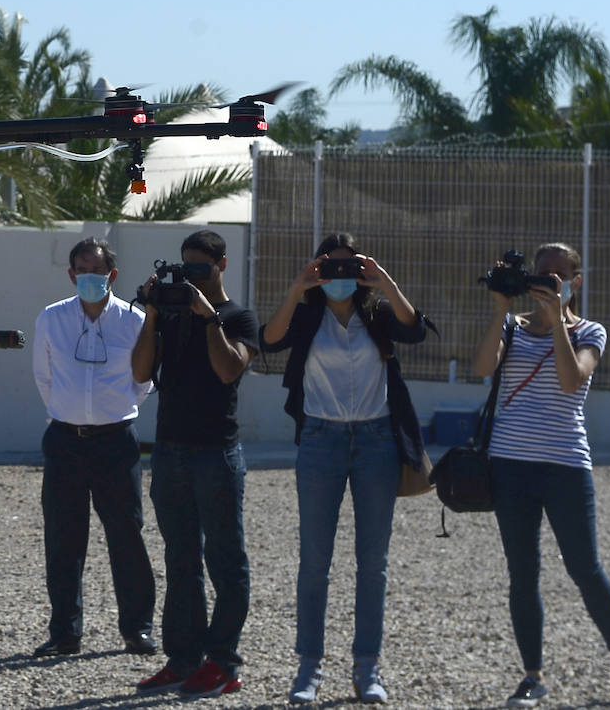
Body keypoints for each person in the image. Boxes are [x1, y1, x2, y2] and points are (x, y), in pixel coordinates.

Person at [259, 233, 433, 704]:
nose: (340, 276)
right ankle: (309, 666)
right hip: (321, 440)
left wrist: (385, 282)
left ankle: (367, 666)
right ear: (318, 269)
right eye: (330, 266)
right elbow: (269, 341)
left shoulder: (377, 314)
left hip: (376, 441)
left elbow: (415, 330)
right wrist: (297, 289)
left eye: (348, 266)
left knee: (373, 563)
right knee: (315, 561)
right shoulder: (307, 315)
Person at [472, 242, 610, 708]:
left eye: (558, 274)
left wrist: (556, 324)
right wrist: (500, 310)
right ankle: (533, 675)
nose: (549, 280)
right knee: (522, 573)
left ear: (575, 281)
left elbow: (572, 381)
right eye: (542, 272)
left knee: (585, 568)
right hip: (510, 465)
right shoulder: (513, 326)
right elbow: (482, 368)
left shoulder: (591, 331)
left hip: (566, 464)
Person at [131, 230, 257, 699]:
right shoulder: (170, 315)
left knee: (225, 559)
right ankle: (183, 659)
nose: (193, 278)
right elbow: (140, 371)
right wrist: (152, 314)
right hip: (171, 451)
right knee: (181, 560)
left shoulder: (238, 317)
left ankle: (223, 661)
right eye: (186, 270)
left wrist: (209, 319)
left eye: (201, 269)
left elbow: (229, 370)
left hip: (215, 453)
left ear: (221, 264)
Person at [31, 237, 158, 658]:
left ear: (112, 275)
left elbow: (143, 381)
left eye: (97, 272)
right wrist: (69, 412)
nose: (90, 278)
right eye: (82, 271)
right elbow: (44, 377)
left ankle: (137, 629)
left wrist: (111, 411)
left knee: (127, 536)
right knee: (63, 539)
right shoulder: (51, 318)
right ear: (71, 275)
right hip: (65, 441)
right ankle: (65, 632)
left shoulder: (133, 320)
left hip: (115, 442)